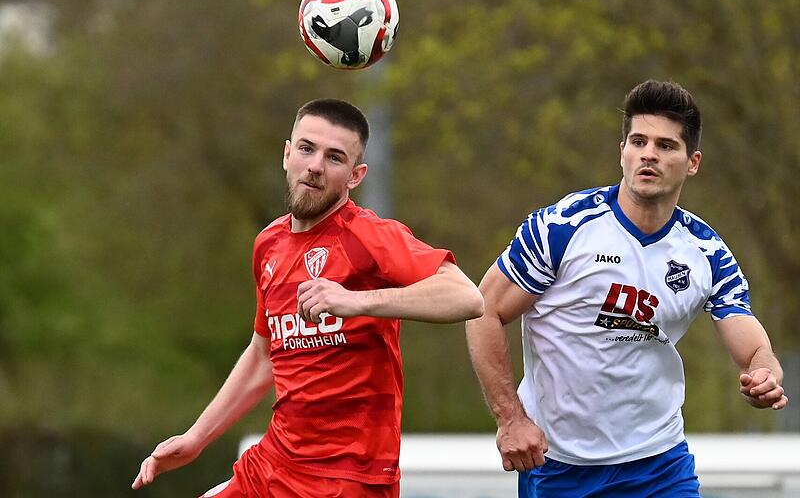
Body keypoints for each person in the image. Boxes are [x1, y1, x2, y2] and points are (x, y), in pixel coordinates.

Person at [132, 98, 484, 497]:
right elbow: (264, 354)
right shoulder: (269, 244)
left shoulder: (368, 236)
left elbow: (466, 297)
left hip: (349, 478)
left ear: (355, 175)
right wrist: (197, 437)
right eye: (306, 149)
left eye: (334, 157)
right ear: (287, 154)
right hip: (274, 463)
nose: (316, 166)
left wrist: (357, 302)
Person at [465, 80, 788, 497]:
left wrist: (766, 376)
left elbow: (754, 348)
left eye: (667, 146)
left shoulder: (706, 251)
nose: (649, 154)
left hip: (660, 466)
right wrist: (510, 419)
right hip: (561, 466)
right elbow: (483, 310)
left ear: (692, 162)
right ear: (623, 153)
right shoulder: (562, 228)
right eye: (638, 141)